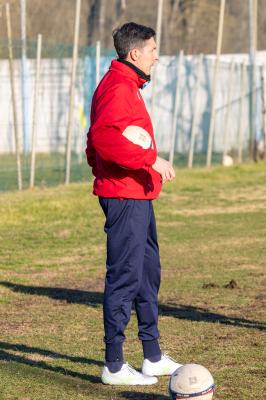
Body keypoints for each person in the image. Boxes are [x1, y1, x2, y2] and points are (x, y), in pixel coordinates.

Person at [86, 22, 181, 385]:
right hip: (124, 195)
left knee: (147, 274)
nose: (157, 57)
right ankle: (113, 364)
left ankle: (152, 356)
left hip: (137, 193)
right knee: (125, 276)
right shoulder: (117, 86)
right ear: (135, 53)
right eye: (153, 49)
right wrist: (149, 160)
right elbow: (103, 139)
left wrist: (119, 169)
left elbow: (93, 145)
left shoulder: (127, 85)